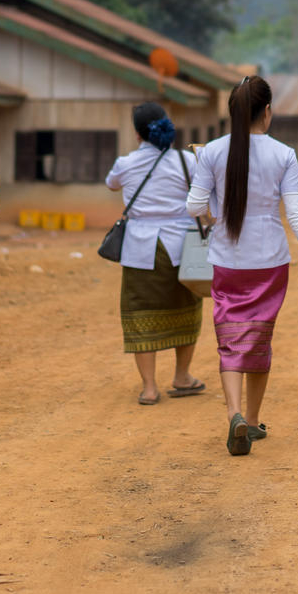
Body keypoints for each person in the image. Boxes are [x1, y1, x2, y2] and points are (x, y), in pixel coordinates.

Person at [187, 75, 298, 457]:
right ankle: (250, 420)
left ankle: (233, 414)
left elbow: (194, 207)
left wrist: (217, 210)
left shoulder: (212, 152)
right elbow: (295, 211)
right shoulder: (284, 154)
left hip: (227, 260)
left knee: (229, 340)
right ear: (266, 112)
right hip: (270, 262)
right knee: (259, 340)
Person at [104, 103, 207, 406]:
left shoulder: (126, 163)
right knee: (187, 307)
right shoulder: (187, 160)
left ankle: (149, 388)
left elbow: (112, 185)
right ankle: (182, 377)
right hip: (181, 248)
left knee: (139, 313)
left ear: (137, 134)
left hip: (140, 248)